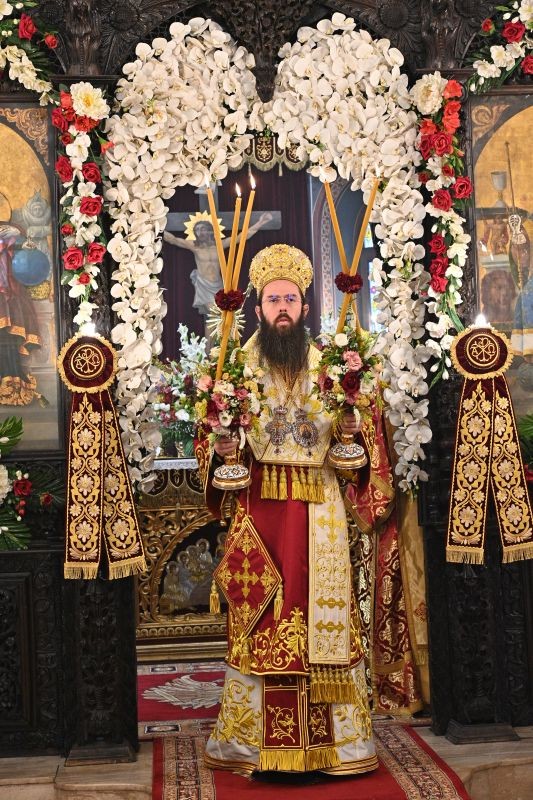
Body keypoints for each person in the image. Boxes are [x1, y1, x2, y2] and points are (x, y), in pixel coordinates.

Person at [195, 244, 378, 776]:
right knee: (262, 618)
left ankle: (335, 746)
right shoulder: (236, 370)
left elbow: (353, 456)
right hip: (261, 513)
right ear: (258, 307)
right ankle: (252, 744)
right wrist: (224, 447)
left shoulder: (330, 367)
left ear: (304, 307)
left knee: (322, 621)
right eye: (273, 299)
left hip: (320, 513)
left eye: (290, 300)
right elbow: (210, 443)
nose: (282, 308)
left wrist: (351, 430)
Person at [163, 211, 273, 317]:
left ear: (210, 231)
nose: (200, 232)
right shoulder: (194, 246)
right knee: (215, 315)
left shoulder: (219, 245)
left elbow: (241, 237)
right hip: (203, 285)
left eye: (203, 229)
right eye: (197, 230)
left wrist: (261, 222)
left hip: (218, 285)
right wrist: (157, 226)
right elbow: (173, 239)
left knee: (219, 316)